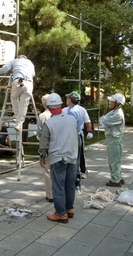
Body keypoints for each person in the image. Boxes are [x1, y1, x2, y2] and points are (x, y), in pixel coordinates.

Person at [38, 93, 79, 223]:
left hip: (58, 158)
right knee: (70, 185)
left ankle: (61, 213)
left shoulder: (49, 123)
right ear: (61, 105)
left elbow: (43, 143)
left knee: (58, 186)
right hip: (72, 157)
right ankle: (69, 208)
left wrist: (42, 157)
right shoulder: (72, 119)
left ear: (49, 107)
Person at [0, 55, 35, 131]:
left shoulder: (15, 61)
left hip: (19, 80)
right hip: (29, 83)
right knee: (24, 105)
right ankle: (19, 124)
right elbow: (33, 74)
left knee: (14, 97)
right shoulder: (30, 63)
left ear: (19, 57)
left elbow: (5, 69)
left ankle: (16, 115)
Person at [63, 92, 93, 187]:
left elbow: (87, 122)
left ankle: (76, 180)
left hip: (74, 136)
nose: (66, 100)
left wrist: (89, 131)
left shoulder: (75, 111)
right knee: (74, 158)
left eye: (67, 98)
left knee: (75, 158)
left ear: (70, 100)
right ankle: (73, 179)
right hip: (72, 136)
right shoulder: (67, 110)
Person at [99, 93, 126, 187]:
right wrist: (103, 120)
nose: (110, 102)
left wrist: (103, 120)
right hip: (112, 139)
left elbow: (104, 121)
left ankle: (116, 180)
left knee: (114, 160)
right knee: (115, 159)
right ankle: (118, 176)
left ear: (117, 103)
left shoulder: (117, 114)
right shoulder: (114, 111)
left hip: (115, 139)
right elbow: (102, 119)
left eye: (112, 101)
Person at [36, 94, 53, 202]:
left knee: (48, 171)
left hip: (48, 147)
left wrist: (42, 153)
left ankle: (50, 195)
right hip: (60, 147)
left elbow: (39, 134)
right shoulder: (62, 114)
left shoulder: (42, 116)